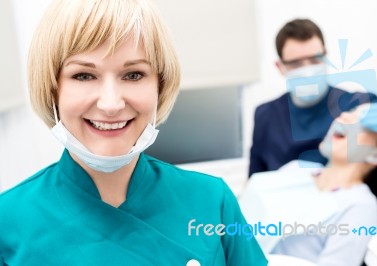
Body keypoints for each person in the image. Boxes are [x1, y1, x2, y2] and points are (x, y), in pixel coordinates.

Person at [0, 0, 267, 265]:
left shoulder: (213, 200)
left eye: (133, 75)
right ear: (51, 89)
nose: (111, 104)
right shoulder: (7, 221)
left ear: (160, 86)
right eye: (83, 75)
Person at [241, 106, 377, 266]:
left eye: (360, 122)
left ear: (375, 155)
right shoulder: (296, 168)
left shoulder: (360, 206)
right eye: (349, 113)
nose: (343, 117)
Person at [249, 18, 377, 176]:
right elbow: (256, 182)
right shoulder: (265, 116)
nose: (308, 70)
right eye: (296, 64)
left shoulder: (359, 106)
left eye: (315, 59)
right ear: (280, 67)